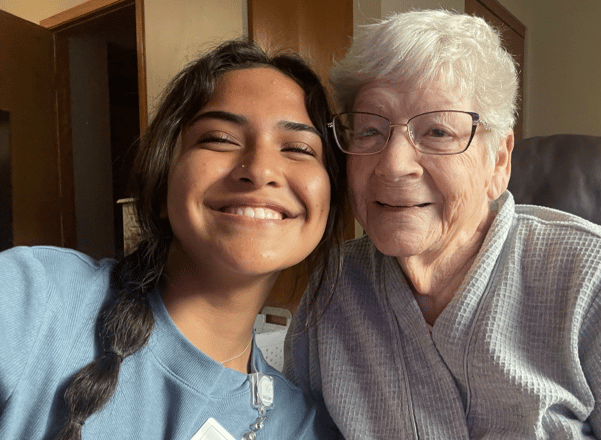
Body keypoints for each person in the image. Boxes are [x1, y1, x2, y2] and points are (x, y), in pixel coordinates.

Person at [284, 10, 601, 439]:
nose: (394, 164)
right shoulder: (333, 289)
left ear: (498, 161)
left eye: (438, 132)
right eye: (368, 130)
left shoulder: (600, 277)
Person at [0, 39, 345, 440]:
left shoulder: (303, 428)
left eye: (299, 148)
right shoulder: (34, 301)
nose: (260, 169)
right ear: (163, 180)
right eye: (220, 138)